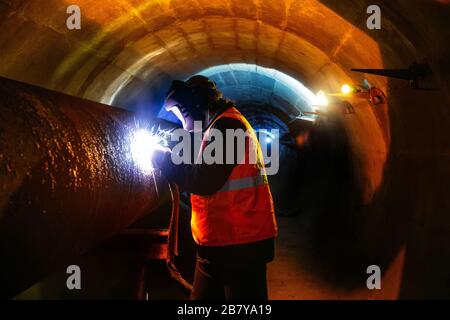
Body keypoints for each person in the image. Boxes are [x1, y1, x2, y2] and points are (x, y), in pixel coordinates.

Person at [154, 75, 278, 300]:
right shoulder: (218, 126)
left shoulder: (228, 126)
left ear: (195, 105)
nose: (182, 119)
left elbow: (204, 181)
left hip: (240, 245)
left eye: (181, 112)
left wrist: (166, 162)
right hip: (218, 243)